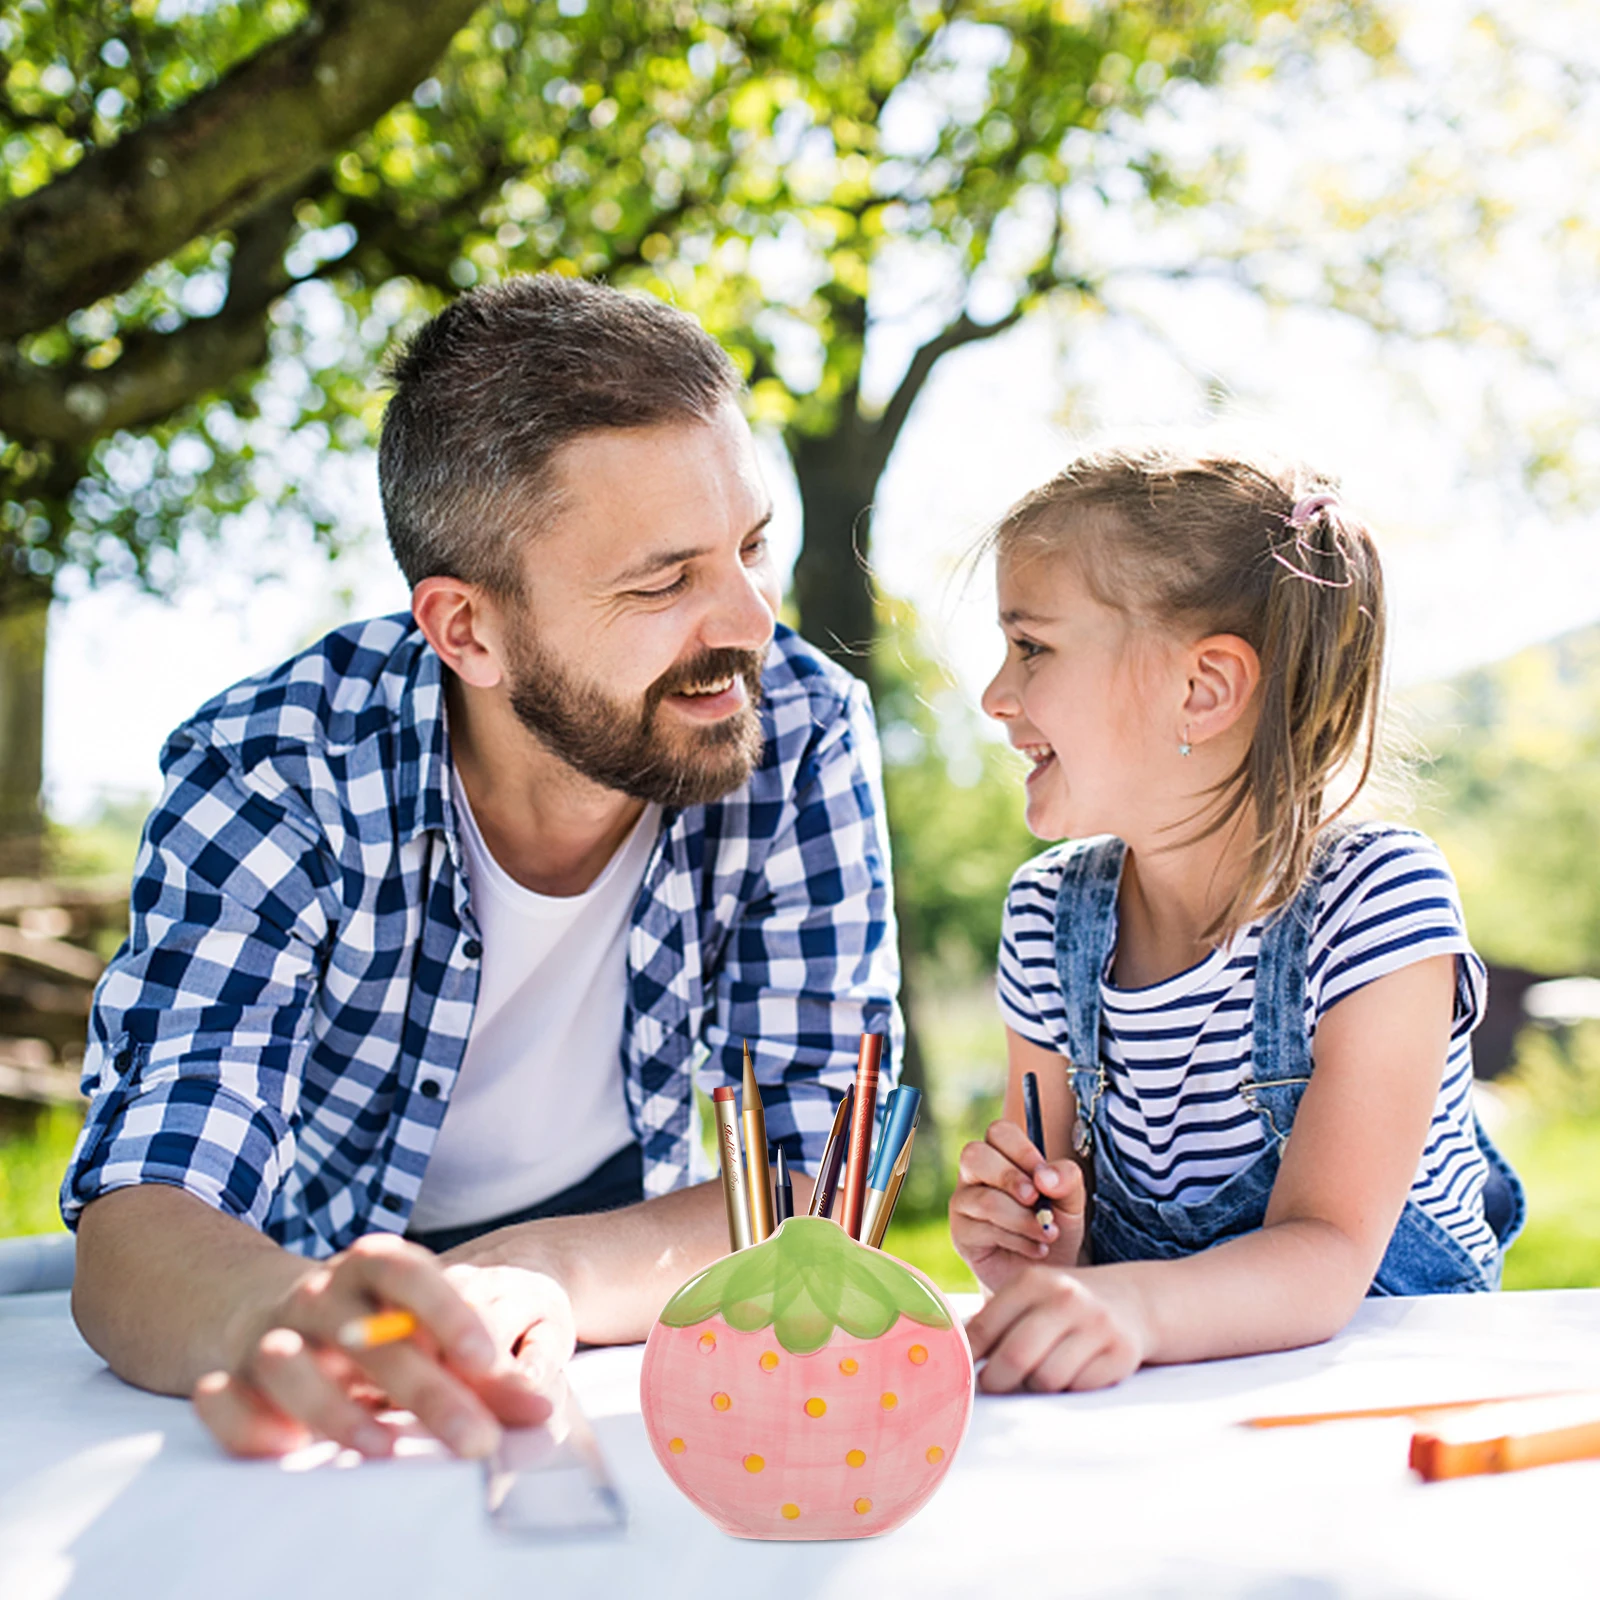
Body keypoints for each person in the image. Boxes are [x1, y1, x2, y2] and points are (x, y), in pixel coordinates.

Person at [61, 274, 900, 1459]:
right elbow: (145, 1216)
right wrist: (285, 1315)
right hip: (324, 1263)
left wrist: (538, 1268)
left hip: (617, 1281)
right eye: (664, 581)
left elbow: (821, 1176)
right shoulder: (274, 769)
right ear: (468, 631)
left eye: (752, 545)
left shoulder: (797, 725)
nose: (753, 621)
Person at [951, 444, 1523, 1394]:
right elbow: (1064, 1243)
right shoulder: (1047, 918)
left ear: (1204, 689)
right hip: (1175, 1409)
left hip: (1386, 1398)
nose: (995, 695)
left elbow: (1329, 1249)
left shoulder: (1375, 903)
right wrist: (1046, 1253)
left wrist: (1133, 1307)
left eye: (1033, 646)